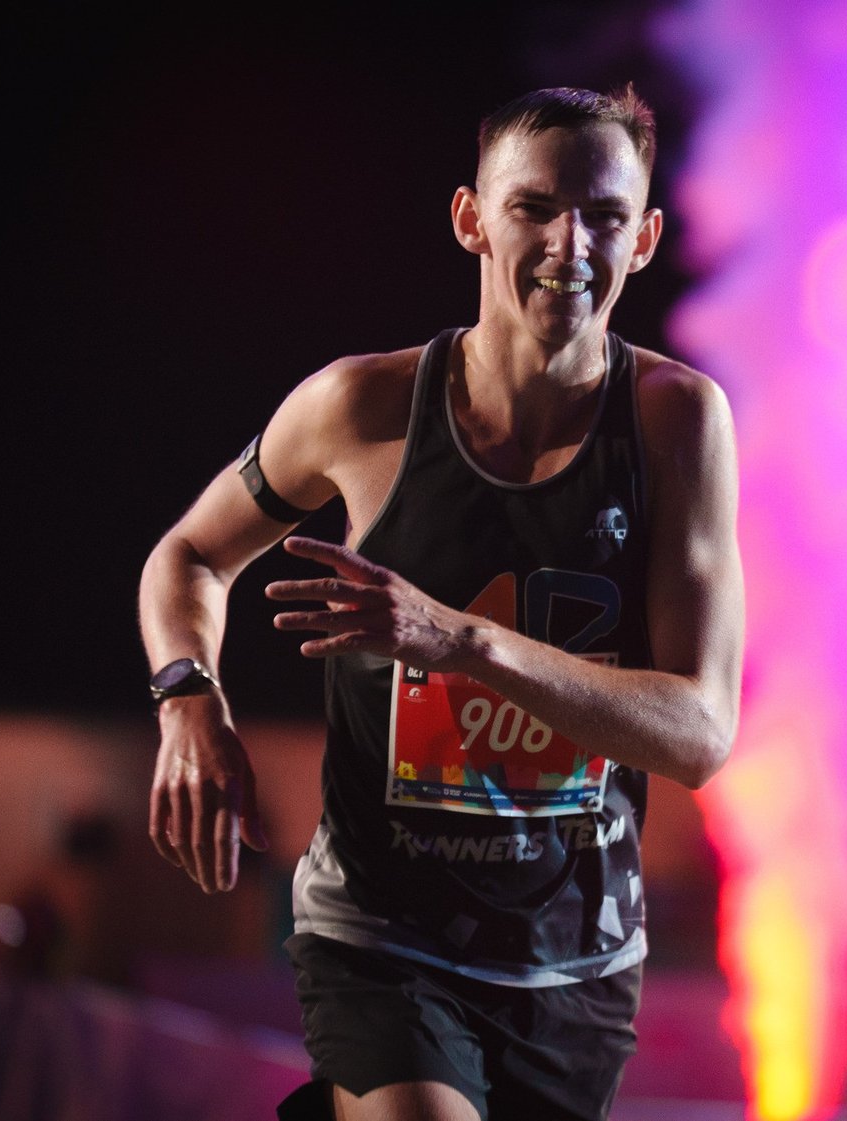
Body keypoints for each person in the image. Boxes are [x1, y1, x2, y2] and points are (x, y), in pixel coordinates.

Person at [137, 84, 744, 1121]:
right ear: (471, 218)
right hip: (383, 935)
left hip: (577, 963)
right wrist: (189, 697)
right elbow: (189, 553)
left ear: (644, 239)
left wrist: (462, 640)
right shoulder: (362, 407)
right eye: (534, 207)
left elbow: (700, 731)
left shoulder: (675, 422)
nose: (569, 244)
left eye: (603, 216)